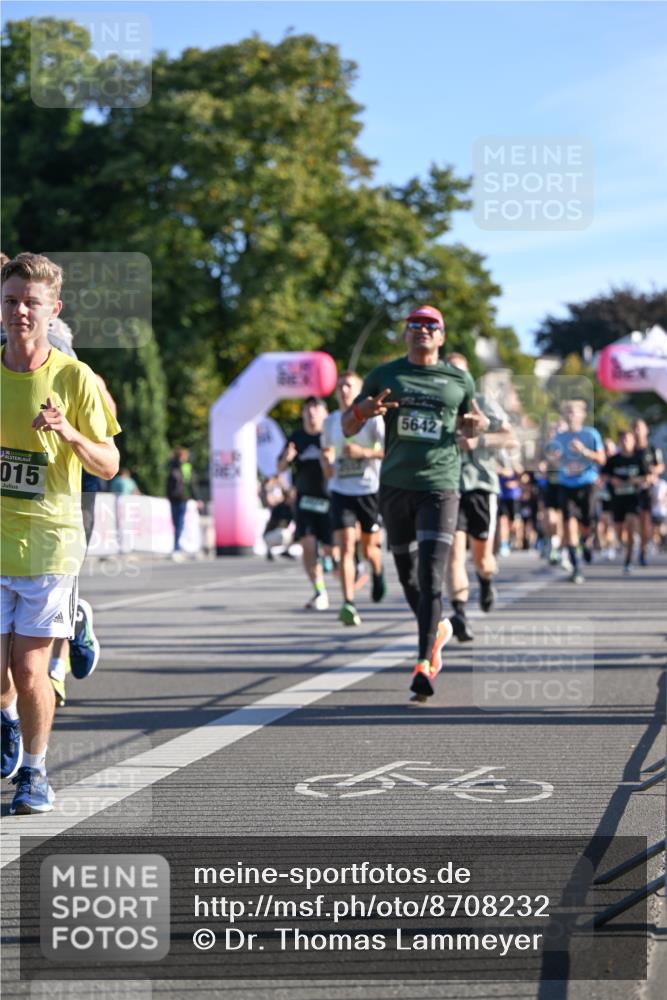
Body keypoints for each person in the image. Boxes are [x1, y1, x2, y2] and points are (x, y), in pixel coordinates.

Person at [0, 252, 120, 813]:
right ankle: (7, 723)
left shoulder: (74, 377)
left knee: (28, 670)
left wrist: (68, 430)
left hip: (50, 542)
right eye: (11, 301)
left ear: (53, 310)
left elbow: (109, 463)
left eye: (31, 302)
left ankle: (36, 771)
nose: (20, 311)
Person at [341, 305, 484, 701]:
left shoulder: (458, 380)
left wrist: (474, 427)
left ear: (441, 336)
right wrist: (360, 411)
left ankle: (424, 662)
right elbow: (346, 426)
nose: (422, 329)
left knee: (432, 573)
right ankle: (436, 629)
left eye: (430, 325)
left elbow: (474, 423)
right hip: (395, 485)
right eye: (415, 324)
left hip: (441, 485)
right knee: (406, 574)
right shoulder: (385, 375)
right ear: (405, 334)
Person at [445, 353, 517, 643]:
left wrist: (479, 440)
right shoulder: (438, 406)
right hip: (449, 487)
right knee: (454, 555)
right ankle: (460, 614)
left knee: (483, 559)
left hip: (481, 487)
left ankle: (486, 581)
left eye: (459, 372)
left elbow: (510, 439)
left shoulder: (483, 404)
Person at [321, 370, 386, 626]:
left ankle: (377, 572)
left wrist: (362, 452)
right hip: (341, 491)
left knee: (369, 549)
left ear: (359, 391)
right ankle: (348, 602)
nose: (344, 391)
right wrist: (326, 463)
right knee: (347, 545)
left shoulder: (372, 421)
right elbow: (326, 458)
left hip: (369, 489)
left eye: (349, 386)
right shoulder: (330, 422)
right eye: (340, 387)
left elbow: (388, 451)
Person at [278, 397, 335, 610]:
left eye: (315, 409)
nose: (311, 414)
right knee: (308, 547)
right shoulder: (297, 437)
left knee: (332, 550)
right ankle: (320, 591)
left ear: (324, 413)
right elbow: (280, 467)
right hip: (304, 501)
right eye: (307, 410)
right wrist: (287, 457)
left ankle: (339, 562)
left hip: (329, 499)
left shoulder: (329, 436)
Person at [547, 399, 605, 584]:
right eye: (568, 412)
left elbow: (602, 459)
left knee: (587, 522)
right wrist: (554, 461)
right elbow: (554, 461)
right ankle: (577, 568)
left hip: (587, 484)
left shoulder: (591, 434)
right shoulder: (559, 437)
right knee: (569, 524)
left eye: (574, 411)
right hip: (566, 485)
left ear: (583, 414)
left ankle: (587, 540)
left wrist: (584, 451)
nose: (571, 415)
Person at [603, 429, 649, 574]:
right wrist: (612, 480)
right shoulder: (613, 460)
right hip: (617, 499)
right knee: (619, 531)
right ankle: (626, 544)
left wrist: (639, 479)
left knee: (630, 524)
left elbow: (648, 476)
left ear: (633, 441)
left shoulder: (639, 458)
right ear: (619, 442)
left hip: (634, 498)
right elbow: (603, 475)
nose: (625, 442)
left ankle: (628, 560)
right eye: (622, 440)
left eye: (628, 439)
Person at [632, 418, 665, 565]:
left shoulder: (652, 449)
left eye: (640, 428)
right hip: (631, 491)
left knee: (646, 522)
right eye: (634, 428)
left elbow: (660, 466)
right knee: (631, 522)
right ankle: (635, 545)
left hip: (648, 490)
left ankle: (642, 550)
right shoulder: (629, 449)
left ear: (646, 430)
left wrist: (653, 472)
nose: (637, 431)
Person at [166, 446, 201, 561]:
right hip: (174, 498)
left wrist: (196, 498)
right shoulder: (172, 466)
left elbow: (191, 484)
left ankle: (176, 548)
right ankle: (176, 548)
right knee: (176, 524)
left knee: (179, 524)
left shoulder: (186, 467)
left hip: (182, 499)